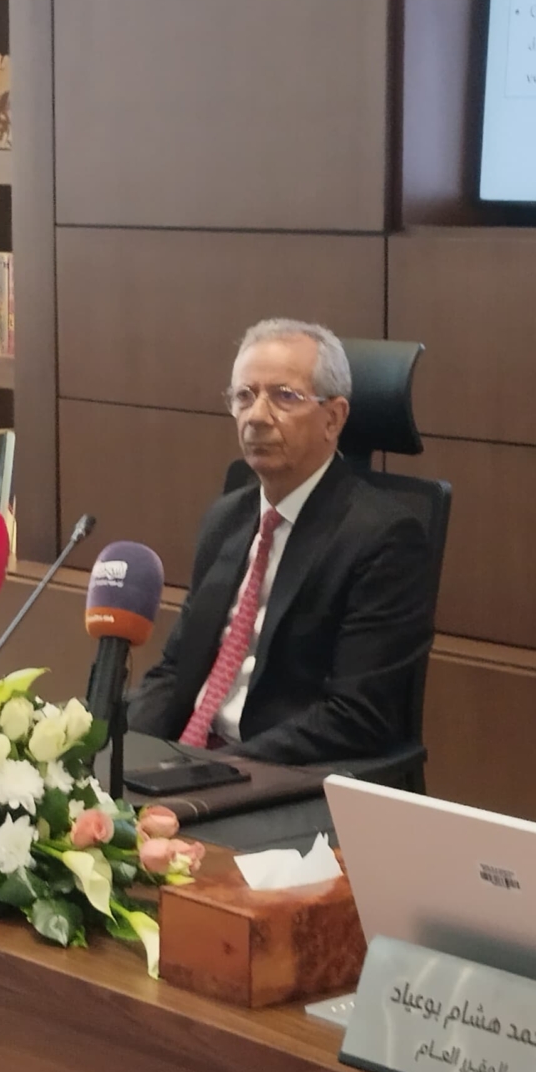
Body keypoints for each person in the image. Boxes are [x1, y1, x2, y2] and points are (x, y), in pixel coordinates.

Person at [126, 318, 437, 765]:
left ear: (334, 418)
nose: (256, 416)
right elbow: (177, 669)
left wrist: (222, 771)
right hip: (189, 758)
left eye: (284, 396)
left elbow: (357, 716)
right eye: (244, 396)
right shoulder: (226, 519)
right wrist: (117, 755)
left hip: (278, 771)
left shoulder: (384, 538)